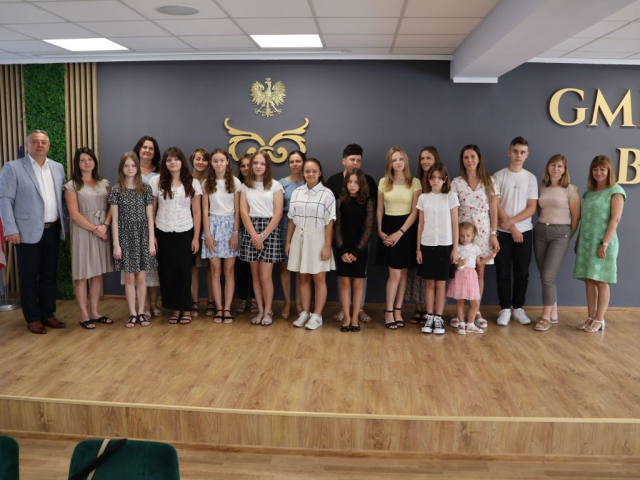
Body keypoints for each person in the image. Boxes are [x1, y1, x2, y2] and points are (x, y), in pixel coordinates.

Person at [0, 129, 69, 334]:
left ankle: (48, 314)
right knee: (29, 277)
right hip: (25, 233)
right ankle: (33, 318)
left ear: (48, 146)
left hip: (52, 230)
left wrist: (64, 225)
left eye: (44, 142)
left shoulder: (57, 167)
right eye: (36, 141)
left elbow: (62, 200)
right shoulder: (13, 167)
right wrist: (10, 229)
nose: (40, 145)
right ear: (28, 144)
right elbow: (5, 200)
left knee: (49, 275)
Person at [150, 147, 202, 325]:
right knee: (167, 272)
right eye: (169, 159)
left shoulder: (193, 182)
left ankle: (185, 308)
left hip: (185, 230)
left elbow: (197, 212)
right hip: (162, 231)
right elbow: (152, 211)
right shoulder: (156, 181)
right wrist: (152, 236)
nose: (173, 162)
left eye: (176, 159)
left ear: (182, 161)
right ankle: (174, 309)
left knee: (184, 272)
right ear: (165, 163)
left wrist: (196, 238)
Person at [326, 144, 378, 324]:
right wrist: (341, 248)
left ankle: (358, 310)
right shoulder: (333, 181)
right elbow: (335, 220)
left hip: (361, 243)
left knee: (360, 278)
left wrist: (357, 249)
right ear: (344, 161)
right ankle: (344, 309)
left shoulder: (369, 181)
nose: (355, 163)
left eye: (358, 160)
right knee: (343, 279)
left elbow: (370, 220)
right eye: (352, 159)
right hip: (341, 241)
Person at [64, 147, 114, 329]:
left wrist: (105, 226)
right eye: (83, 160)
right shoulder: (72, 185)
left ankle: (94, 312)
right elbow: (74, 214)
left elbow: (111, 207)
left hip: (103, 229)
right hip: (83, 232)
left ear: (94, 161)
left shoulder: (103, 182)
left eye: (90, 159)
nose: (87, 162)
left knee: (97, 274)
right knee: (82, 275)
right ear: (77, 163)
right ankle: (83, 315)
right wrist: (95, 229)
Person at [573, 155, 625, 333]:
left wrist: (604, 243)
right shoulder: (589, 192)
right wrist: (578, 239)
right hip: (587, 241)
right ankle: (590, 316)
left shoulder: (616, 190)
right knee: (589, 279)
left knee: (601, 280)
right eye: (595, 169)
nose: (599, 172)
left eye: (602, 169)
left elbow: (615, 219)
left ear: (609, 171)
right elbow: (585, 219)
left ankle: (599, 319)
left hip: (604, 242)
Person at [450, 145, 500, 329]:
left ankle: (476, 310)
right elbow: (452, 209)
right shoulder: (456, 182)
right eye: (466, 157)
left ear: (479, 159)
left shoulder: (489, 181)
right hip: (462, 230)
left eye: (472, 157)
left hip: (483, 230)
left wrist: (494, 234)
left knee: (479, 271)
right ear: (462, 161)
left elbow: (493, 209)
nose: (470, 160)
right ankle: (459, 312)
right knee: (461, 269)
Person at [286, 158, 336, 330]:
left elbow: (330, 222)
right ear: (303, 173)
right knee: (303, 277)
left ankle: (317, 316)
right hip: (299, 237)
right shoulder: (297, 192)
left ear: (320, 173)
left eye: (314, 171)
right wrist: (288, 242)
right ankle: (305, 313)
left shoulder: (327, 194)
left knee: (319, 278)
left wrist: (327, 246)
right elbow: (291, 219)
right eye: (307, 171)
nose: (311, 174)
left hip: (318, 238)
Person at [108, 151, 156, 327]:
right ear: (121, 168)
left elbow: (150, 217)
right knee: (129, 278)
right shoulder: (116, 190)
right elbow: (114, 219)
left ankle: (142, 312)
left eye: (133, 165)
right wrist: (116, 244)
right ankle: (132, 313)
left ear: (138, 167)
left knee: (141, 277)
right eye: (126, 165)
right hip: (125, 237)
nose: (130, 168)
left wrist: (151, 241)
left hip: (142, 236)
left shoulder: (146, 189)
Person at [533, 154, 581, 332]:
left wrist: (567, 235)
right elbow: (538, 210)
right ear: (548, 167)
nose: (556, 169)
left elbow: (576, 217)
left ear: (564, 170)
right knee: (544, 276)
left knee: (548, 276)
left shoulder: (570, 189)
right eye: (553, 165)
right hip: (540, 232)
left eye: (560, 166)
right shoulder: (541, 188)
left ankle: (545, 317)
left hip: (561, 234)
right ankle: (553, 314)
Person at [494, 136, 538, 326]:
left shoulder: (530, 178)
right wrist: (511, 228)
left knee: (522, 272)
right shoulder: (498, 176)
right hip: (502, 232)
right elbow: (495, 205)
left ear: (527, 155)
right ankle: (505, 308)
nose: (518, 155)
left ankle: (518, 308)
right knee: (503, 272)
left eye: (522, 152)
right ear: (509, 152)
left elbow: (532, 208)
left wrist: (513, 224)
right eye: (515, 151)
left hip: (524, 232)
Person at [376, 146, 421, 329]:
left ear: (405, 161)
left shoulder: (414, 182)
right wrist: (380, 230)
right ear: (390, 163)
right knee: (394, 273)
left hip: (406, 230)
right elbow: (380, 209)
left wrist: (400, 233)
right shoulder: (383, 182)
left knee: (403, 273)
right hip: (388, 228)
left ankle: (398, 310)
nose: (398, 162)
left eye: (400, 159)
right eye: (394, 160)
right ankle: (388, 311)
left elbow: (415, 211)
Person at [239, 150, 284, 326]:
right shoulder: (245, 186)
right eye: (255, 163)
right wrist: (254, 236)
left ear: (267, 166)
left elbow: (278, 213)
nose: (258, 166)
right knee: (255, 276)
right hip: (251, 230)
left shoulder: (275, 186)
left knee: (265, 276)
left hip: (269, 230)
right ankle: (260, 309)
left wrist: (263, 235)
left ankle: (268, 310)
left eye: (262, 163)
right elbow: (243, 212)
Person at [416, 163, 459, 335]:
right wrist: (418, 249)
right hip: (427, 245)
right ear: (428, 179)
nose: (435, 181)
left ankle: (438, 317)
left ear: (445, 179)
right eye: (433, 177)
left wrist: (455, 249)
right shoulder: (423, 198)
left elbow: (455, 224)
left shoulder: (450, 197)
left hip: (445, 245)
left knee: (441, 283)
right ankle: (429, 316)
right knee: (429, 283)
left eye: (439, 178)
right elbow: (420, 224)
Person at [202, 148, 241, 324]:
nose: (219, 164)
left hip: (230, 226)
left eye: (222, 160)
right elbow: (204, 210)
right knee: (215, 270)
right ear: (211, 163)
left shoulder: (235, 182)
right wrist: (208, 234)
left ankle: (227, 308)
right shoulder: (206, 183)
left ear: (227, 162)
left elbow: (238, 210)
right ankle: (219, 308)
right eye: (215, 161)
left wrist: (235, 233)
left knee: (229, 271)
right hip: (213, 226)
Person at [334, 168, 374, 332]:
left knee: (358, 283)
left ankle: (355, 318)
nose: (352, 185)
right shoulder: (340, 200)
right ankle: (347, 317)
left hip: (360, 249)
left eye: (356, 182)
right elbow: (337, 226)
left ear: (361, 184)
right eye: (349, 181)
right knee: (344, 283)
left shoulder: (368, 201)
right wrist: (343, 251)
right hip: (342, 247)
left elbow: (368, 229)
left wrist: (356, 252)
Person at [406, 146, 438, 325]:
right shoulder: (415, 181)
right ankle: (418, 307)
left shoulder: (441, 181)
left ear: (435, 160)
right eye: (422, 158)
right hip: (416, 230)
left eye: (428, 158)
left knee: (431, 271)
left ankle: (430, 308)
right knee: (416, 271)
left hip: (435, 232)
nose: (425, 161)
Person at [132, 135, 163, 318]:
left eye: (151, 148)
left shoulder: (159, 174)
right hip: (133, 225)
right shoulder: (130, 170)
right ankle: (141, 304)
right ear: (138, 149)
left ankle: (153, 304)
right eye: (144, 147)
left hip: (154, 224)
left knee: (153, 267)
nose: (147, 151)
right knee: (138, 267)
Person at [447, 222, 496, 335]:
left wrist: (491, 256)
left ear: (472, 235)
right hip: (460, 276)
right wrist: (458, 264)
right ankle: (461, 325)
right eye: (462, 236)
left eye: (468, 236)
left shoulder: (475, 248)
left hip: (472, 277)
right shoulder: (457, 248)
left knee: (475, 302)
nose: (465, 238)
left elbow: (479, 263)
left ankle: (470, 324)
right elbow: (452, 264)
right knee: (460, 302)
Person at [278, 150, 305, 319]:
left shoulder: (310, 182)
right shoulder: (281, 183)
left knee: (302, 270)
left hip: (304, 228)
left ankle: (300, 304)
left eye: (298, 161)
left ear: (304, 162)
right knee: (285, 267)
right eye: (292, 161)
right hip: (284, 228)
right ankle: (287, 303)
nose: (295, 164)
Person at [189, 148, 215, 317]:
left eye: (204, 159)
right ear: (192, 160)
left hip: (211, 228)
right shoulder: (186, 180)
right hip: (189, 227)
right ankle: (194, 302)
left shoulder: (212, 181)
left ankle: (212, 302)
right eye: (197, 159)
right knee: (193, 268)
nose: (200, 162)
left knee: (211, 268)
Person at [234, 155, 257, 315]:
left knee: (256, 269)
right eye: (243, 166)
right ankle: (243, 298)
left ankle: (255, 299)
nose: (246, 168)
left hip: (257, 231)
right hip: (239, 230)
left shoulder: (262, 184)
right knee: (242, 267)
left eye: (249, 165)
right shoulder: (236, 184)